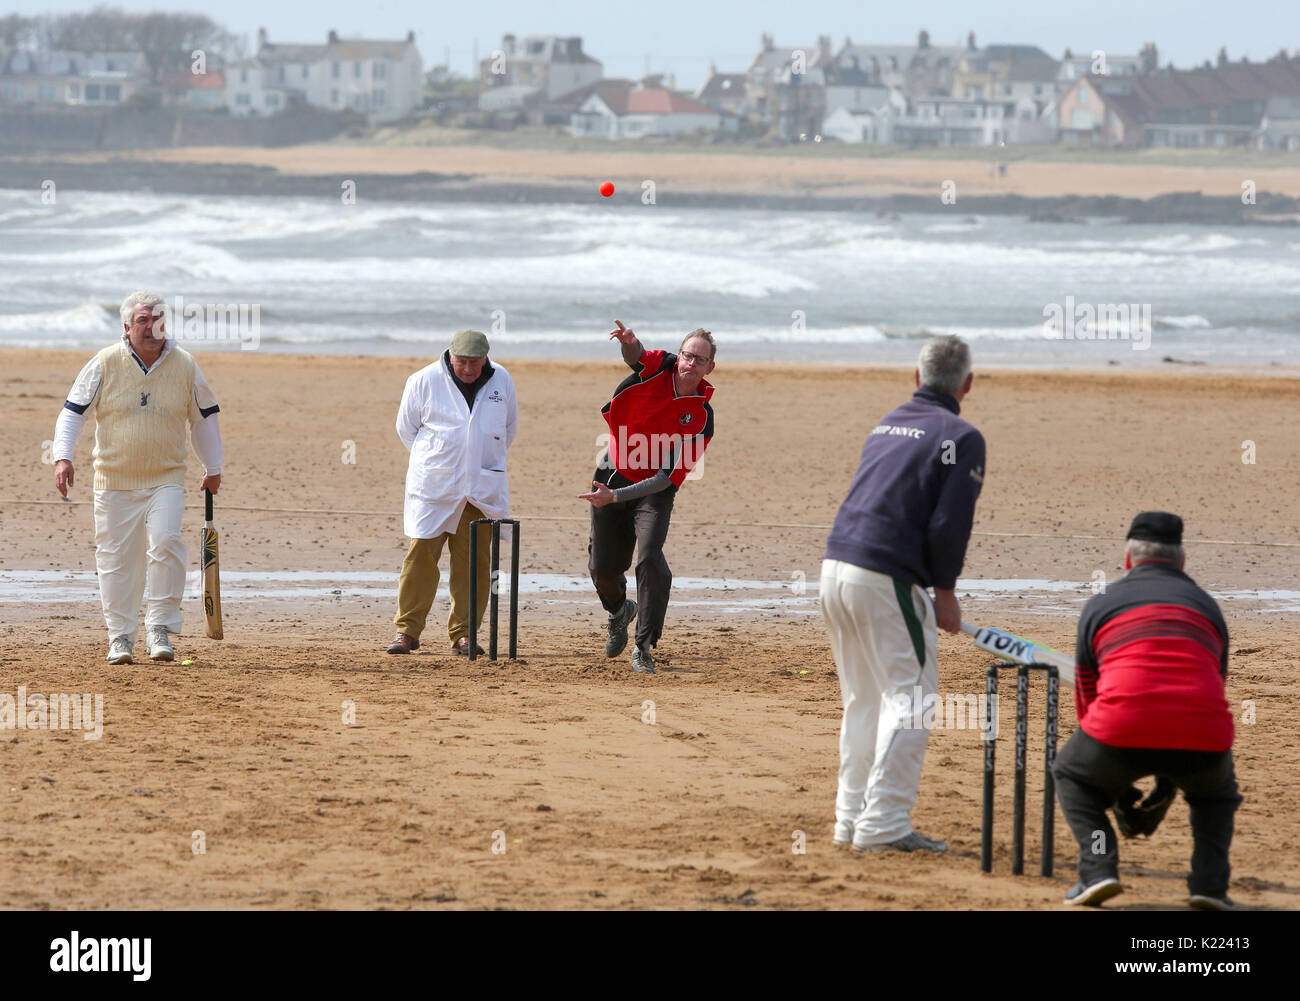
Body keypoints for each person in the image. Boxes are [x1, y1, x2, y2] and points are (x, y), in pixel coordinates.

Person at [820, 335, 985, 853]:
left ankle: (851, 821)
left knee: (866, 700)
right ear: (967, 383)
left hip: (834, 569)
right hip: (883, 576)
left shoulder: (888, 421)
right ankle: (884, 824)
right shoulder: (963, 434)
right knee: (912, 700)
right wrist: (946, 592)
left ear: (917, 377)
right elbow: (948, 524)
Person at [1053, 512, 1240, 909]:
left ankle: (1098, 870)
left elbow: (1088, 688)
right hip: (1202, 732)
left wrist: (1107, 761)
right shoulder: (1205, 604)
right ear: (1182, 561)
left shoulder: (1101, 602)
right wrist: (1173, 769)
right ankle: (1209, 885)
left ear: (1128, 559)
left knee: (1072, 775)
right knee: (1215, 798)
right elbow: (1215, 682)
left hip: (1120, 725)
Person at [52, 290, 223, 664]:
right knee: (116, 560)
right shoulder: (104, 362)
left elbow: (204, 418)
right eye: (143, 320)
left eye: (157, 319)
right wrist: (62, 457)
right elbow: (73, 413)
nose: (151, 327)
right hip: (112, 480)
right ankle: (121, 637)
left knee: (165, 541)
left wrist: (213, 467)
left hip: (166, 478)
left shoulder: (185, 365)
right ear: (127, 326)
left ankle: (159, 629)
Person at [578, 321, 716, 674]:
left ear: (709, 368)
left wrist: (618, 497)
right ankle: (618, 611)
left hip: (653, 491)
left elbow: (665, 478)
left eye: (700, 360)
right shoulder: (660, 366)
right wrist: (629, 341)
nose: (690, 364)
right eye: (688, 355)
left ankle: (643, 647)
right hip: (612, 472)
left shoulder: (701, 417)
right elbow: (636, 358)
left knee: (650, 559)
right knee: (602, 568)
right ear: (679, 355)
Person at [388, 329, 518, 657]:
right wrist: (445, 460)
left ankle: (463, 634)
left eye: (475, 363)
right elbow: (407, 429)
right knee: (420, 558)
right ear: (450, 355)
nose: (469, 369)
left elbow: (508, 429)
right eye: (462, 362)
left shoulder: (502, 380)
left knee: (474, 563)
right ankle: (407, 632)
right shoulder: (423, 380)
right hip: (435, 486)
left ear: (485, 357)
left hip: (481, 490)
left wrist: (475, 461)